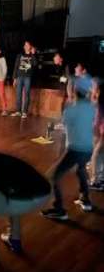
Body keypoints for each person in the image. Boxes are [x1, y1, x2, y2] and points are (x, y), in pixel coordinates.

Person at [42, 89, 95, 221]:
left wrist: (52, 127)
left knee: (53, 176)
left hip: (76, 149)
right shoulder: (91, 108)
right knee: (80, 170)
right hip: (89, 148)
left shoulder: (71, 110)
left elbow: (64, 126)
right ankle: (86, 200)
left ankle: (59, 210)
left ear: (74, 94)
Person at [11, 41, 38, 118]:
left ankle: (25, 112)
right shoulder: (20, 55)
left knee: (27, 94)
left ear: (30, 47)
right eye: (25, 45)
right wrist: (14, 78)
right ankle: (18, 111)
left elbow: (35, 64)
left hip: (27, 77)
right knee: (18, 94)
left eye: (27, 45)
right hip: (19, 76)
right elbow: (16, 67)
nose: (26, 46)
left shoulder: (32, 55)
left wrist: (33, 54)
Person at [89, 83, 104, 191]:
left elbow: (97, 121)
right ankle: (100, 179)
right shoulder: (98, 103)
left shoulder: (100, 104)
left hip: (101, 132)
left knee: (95, 155)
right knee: (99, 154)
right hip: (99, 131)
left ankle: (95, 181)